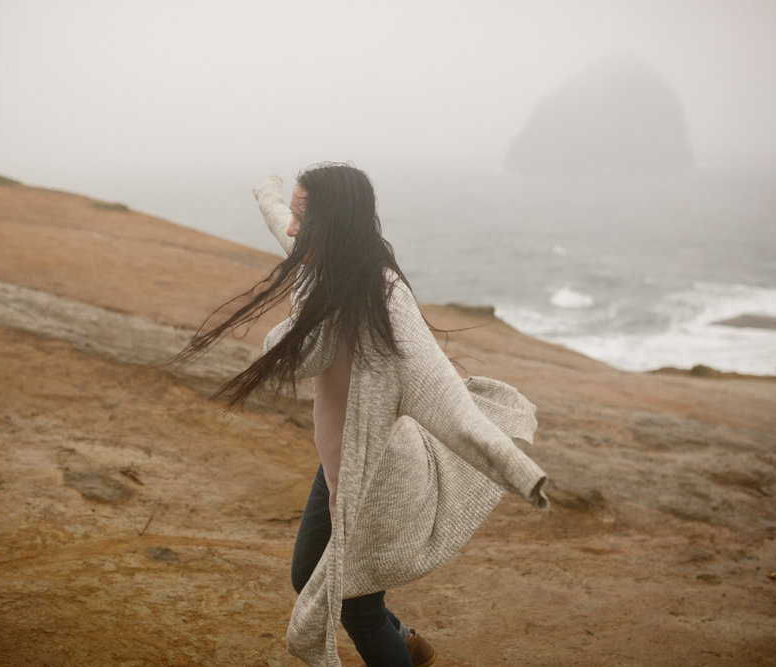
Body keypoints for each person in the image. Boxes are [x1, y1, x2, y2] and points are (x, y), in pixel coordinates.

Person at [174, 163, 549, 667]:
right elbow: (278, 220)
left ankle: (402, 648)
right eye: (295, 217)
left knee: (356, 605)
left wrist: (521, 473)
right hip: (341, 464)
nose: (291, 228)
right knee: (311, 573)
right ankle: (411, 643)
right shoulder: (322, 267)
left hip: (380, 478)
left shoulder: (383, 298)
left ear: (332, 222)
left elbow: (448, 401)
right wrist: (268, 193)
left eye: (302, 218)